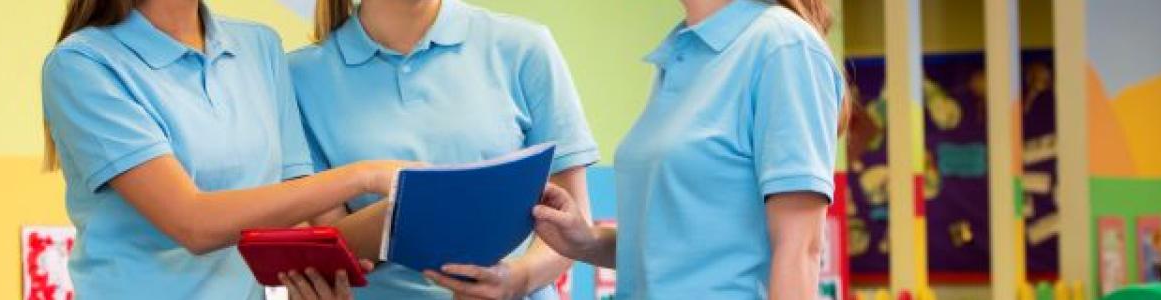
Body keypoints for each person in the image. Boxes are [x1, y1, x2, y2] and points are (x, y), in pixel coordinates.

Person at [40, 0, 410, 298]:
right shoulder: (83, 64)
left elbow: (308, 225)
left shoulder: (259, 48)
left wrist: (424, 200)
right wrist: (366, 176)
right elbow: (193, 224)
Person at [277, 0, 600, 299]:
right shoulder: (297, 76)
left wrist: (518, 278)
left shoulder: (524, 46)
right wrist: (426, 206)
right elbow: (331, 245)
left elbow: (570, 227)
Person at [530, 0, 846, 298]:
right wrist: (586, 241)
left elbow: (801, 249)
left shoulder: (784, 46)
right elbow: (679, 253)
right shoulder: (682, 54)